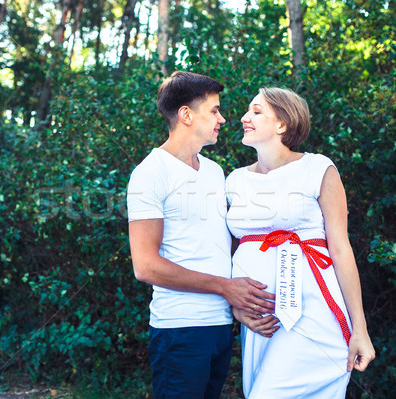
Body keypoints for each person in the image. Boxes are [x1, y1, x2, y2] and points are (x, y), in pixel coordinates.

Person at [127, 71, 276, 399]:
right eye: (214, 110)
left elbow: (218, 247)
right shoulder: (150, 174)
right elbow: (146, 267)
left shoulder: (214, 171)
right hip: (179, 330)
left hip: (221, 327)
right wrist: (226, 288)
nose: (223, 119)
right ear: (186, 115)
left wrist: (235, 304)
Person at [226, 87, 375, 398]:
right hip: (261, 320)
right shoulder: (234, 180)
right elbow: (226, 252)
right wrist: (236, 308)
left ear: (282, 124)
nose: (244, 118)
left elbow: (340, 249)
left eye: (256, 111)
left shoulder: (318, 168)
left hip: (312, 314)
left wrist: (360, 330)